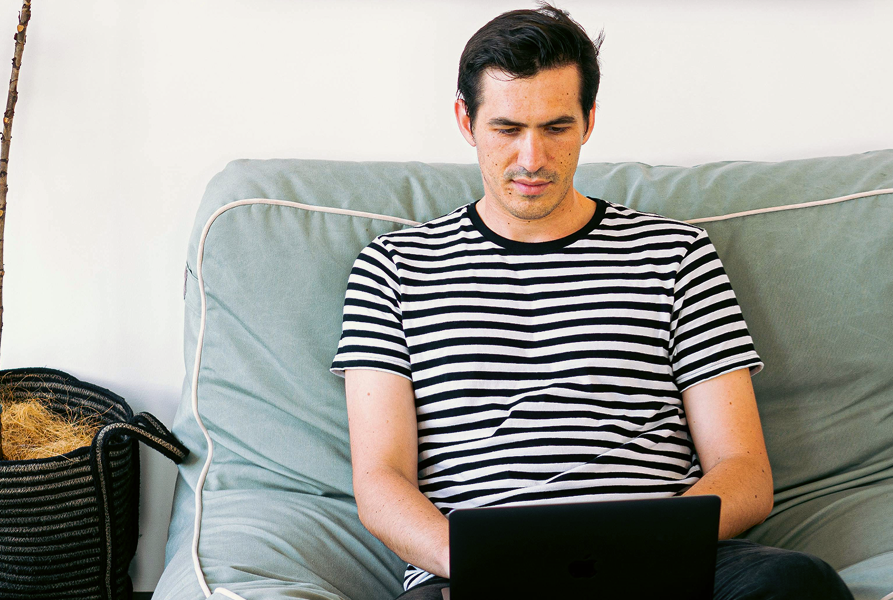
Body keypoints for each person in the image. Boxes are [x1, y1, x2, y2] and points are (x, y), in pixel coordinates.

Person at [330, 4, 854, 600]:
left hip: (662, 566)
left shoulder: (676, 253)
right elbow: (381, 480)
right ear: (465, 121)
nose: (532, 159)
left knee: (796, 583)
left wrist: (643, 550)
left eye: (556, 128)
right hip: (477, 576)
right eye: (507, 129)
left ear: (589, 121)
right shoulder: (393, 268)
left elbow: (746, 471)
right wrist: (474, 559)